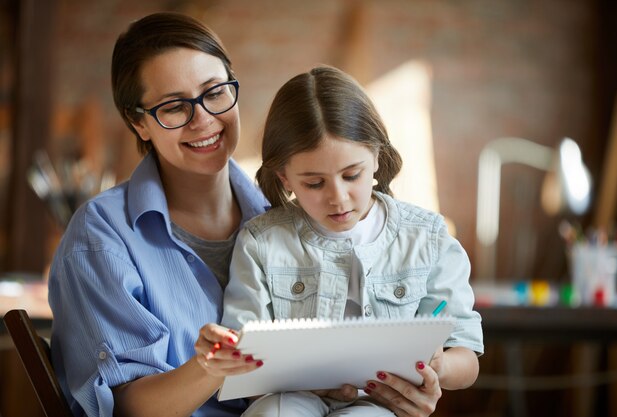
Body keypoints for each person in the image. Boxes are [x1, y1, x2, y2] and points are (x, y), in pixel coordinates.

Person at [222, 65, 484, 417]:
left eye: (352, 175)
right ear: (284, 177)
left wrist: (440, 367)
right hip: (289, 396)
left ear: (376, 157)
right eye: (314, 183)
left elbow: (465, 354)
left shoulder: (427, 237)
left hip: (378, 403)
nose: (339, 198)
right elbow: (241, 353)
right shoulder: (262, 242)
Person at [47, 12, 273, 417]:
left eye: (215, 92)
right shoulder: (101, 237)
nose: (203, 119)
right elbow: (125, 409)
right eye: (173, 107)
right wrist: (208, 368)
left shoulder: (283, 217)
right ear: (139, 123)